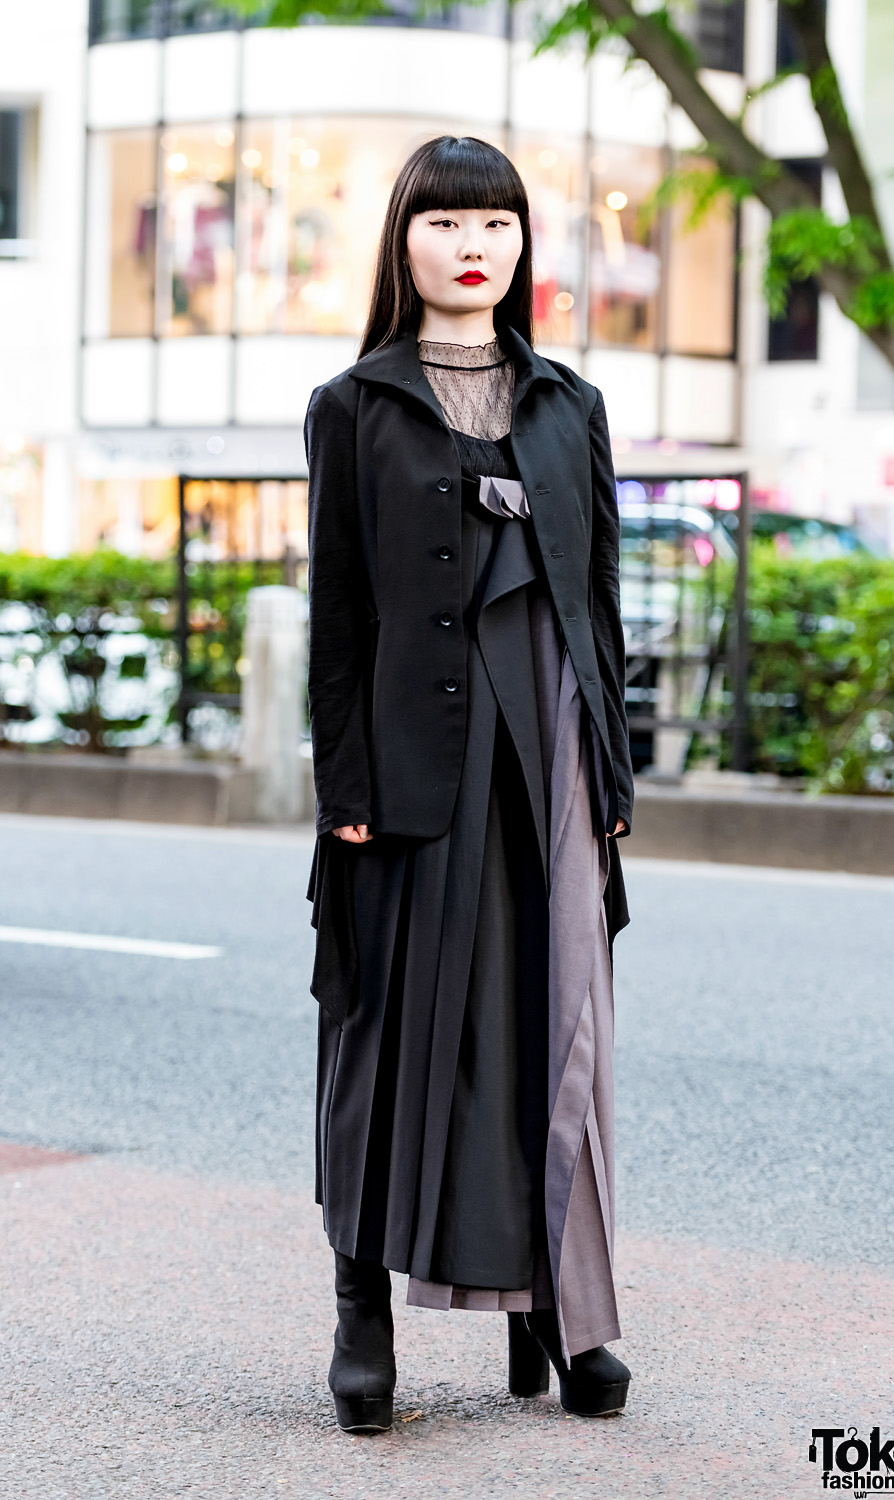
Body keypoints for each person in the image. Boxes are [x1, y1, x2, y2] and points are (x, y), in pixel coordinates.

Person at [305, 134, 634, 1434]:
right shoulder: (354, 405)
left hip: (550, 753)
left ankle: (566, 1313)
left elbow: (596, 609)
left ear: (519, 244)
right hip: (409, 765)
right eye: (445, 221)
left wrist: (610, 780)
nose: (472, 241)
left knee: (551, 1028)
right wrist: (344, 784)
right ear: (405, 243)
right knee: (383, 1033)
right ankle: (359, 1306)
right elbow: (339, 622)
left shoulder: (568, 407)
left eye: (493, 220)